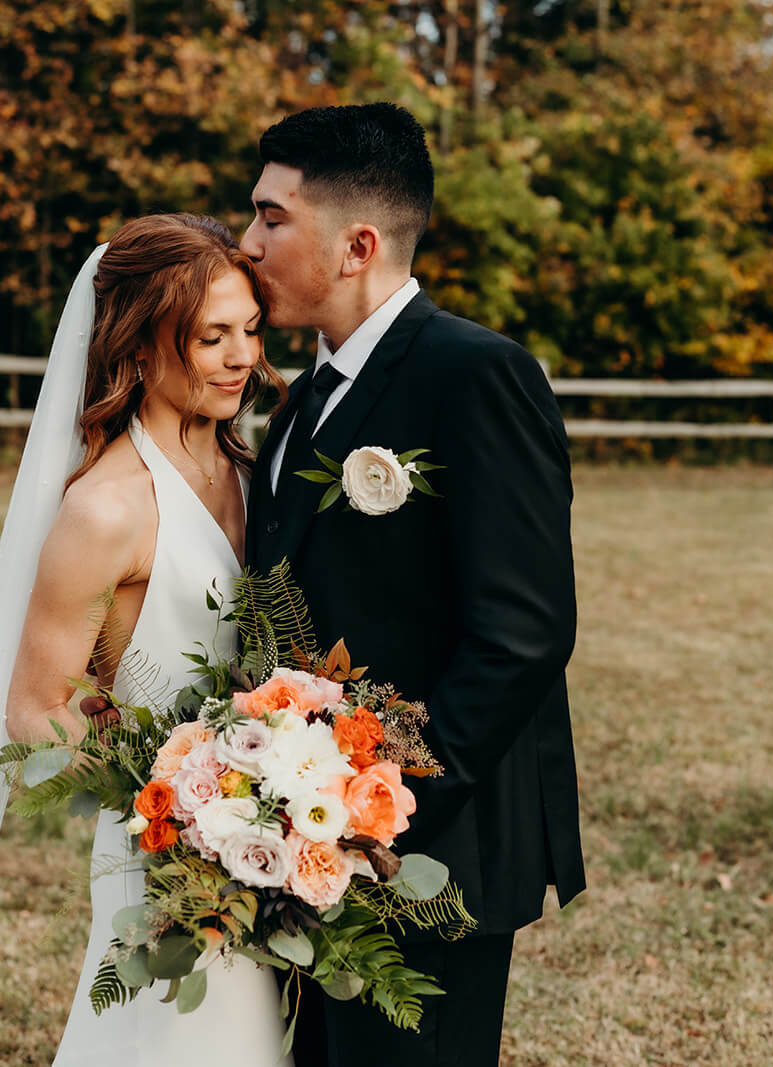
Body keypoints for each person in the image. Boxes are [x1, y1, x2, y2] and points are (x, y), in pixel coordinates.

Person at [0, 214, 291, 1066]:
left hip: (270, 843)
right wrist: (185, 802)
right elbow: (36, 708)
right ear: (139, 345)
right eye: (212, 336)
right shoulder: (106, 508)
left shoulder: (246, 467)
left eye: (252, 330)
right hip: (167, 851)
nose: (243, 357)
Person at [240, 103, 584, 1067]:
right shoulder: (301, 400)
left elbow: (523, 631)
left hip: (435, 844)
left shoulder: (475, 375)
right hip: (306, 836)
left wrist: (385, 805)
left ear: (355, 245)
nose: (247, 241)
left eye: (272, 219)